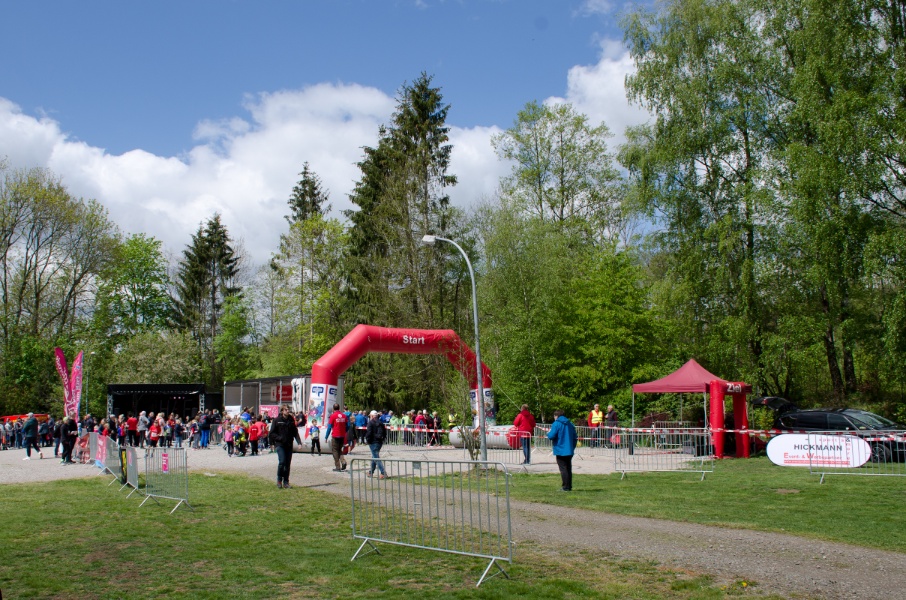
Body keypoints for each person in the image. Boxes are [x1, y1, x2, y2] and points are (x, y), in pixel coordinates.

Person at [269, 405, 302, 488]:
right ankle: (279, 480)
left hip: (289, 444)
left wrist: (299, 442)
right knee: (282, 462)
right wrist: (278, 439)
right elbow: (272, 433)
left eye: (288, 409)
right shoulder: (277, 420)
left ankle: (286, 482)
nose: (288, 411)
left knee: (287, 464)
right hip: (280, 444)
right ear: (282, 411)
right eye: (286, 410)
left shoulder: (291, 420)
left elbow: (295, 432)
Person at [547, 409, 577, 492]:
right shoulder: (570, 424)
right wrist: (572, 446)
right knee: (568, 468)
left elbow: (551, 436)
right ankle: (569, 485)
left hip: (561, 449)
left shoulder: (556, 424)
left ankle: (565, 486)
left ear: (556, 416)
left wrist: (548, 433)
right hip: (569, 449)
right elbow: (575, 437)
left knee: (563, 469)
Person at [365, 410, 388, 478]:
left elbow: (369, 433)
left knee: (376, 458)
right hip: (379, 442)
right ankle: (370, 472)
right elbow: (384, 432)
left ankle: (383, 473)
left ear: (371, 416)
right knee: (374, 457)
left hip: (373, 442)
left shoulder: (370, 423)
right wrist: (383, 439)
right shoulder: (381, 423)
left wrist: (368, 440)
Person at [325, 403, 348, 472]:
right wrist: (345, 431)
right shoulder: (344, 416)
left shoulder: (333, 416)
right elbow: (348, 425)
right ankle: (343, 461)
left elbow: (329, 427)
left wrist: (326, 436)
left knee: (335, 450)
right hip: (342, 435)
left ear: (333, 409)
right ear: (339, 408)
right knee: (339, 449)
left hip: (335, 435)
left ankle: (337, 467)